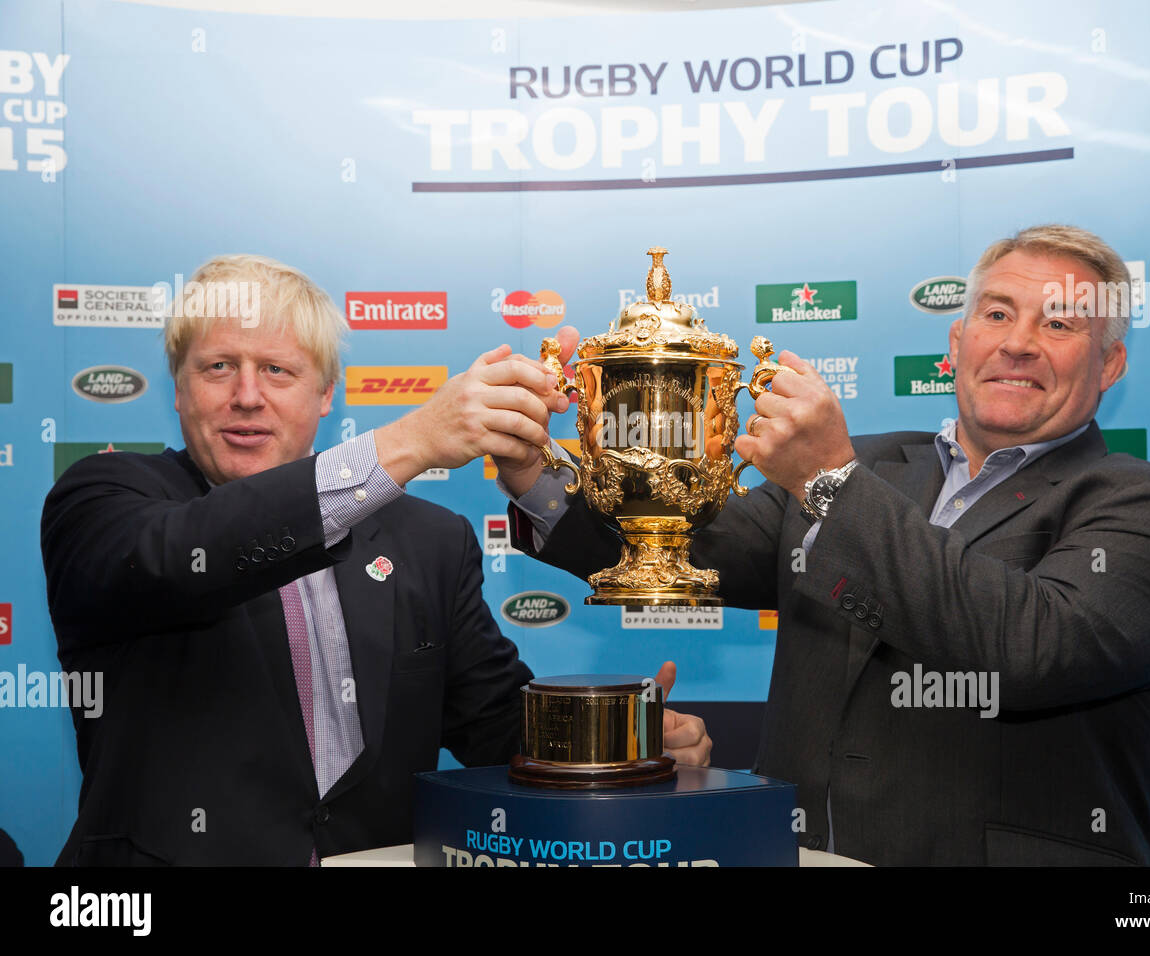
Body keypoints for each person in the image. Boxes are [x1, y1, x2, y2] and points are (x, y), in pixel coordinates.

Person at [501, 225, 1150, 866]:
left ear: (1111, 365)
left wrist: (830, 480)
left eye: (1059, 322)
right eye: (996, 313)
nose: (1017, 341)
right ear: (956, 342)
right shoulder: (869, 468)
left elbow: (1031, 647)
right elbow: (685, 541)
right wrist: (538, 473)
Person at [40, 254, 709, 866]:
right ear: (179, 390)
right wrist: (416, 438)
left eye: (278, 370)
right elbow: (193, 552)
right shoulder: (104, 499)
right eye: (218, 368)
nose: (247, 395)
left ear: (326, 395)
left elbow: (497, 729)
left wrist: (627, 745)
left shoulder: (430, 541)